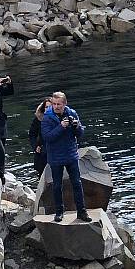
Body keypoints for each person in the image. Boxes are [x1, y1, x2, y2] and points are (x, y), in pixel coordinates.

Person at [41, 91, 91, 223]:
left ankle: (81, 211)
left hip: (71, 154)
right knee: (57, 185)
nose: (56, 106)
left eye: (59, 104)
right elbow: (47, 137)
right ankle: (59, 212)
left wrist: (77, 127)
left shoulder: (72, 114)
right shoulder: (47, 117)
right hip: (55, 156)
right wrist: (61, 127)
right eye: (54, 104)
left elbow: (80, 134)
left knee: (77, 183)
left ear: (65, 104)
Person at [28, 98, 51, 178]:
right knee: (42, 174)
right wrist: (35, 146)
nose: (48, 109)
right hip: (42, 150)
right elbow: (32, 134)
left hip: (54, 149)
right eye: (46, 107)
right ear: (43, 108)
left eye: (50, 107)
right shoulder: (39, 119)